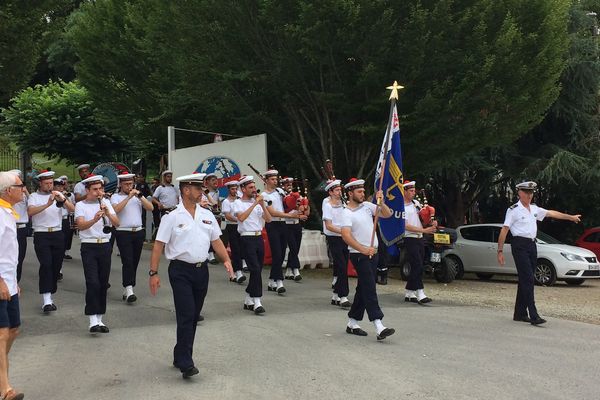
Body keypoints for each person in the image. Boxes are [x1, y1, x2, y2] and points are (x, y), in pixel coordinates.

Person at [149, 173, 233, 379]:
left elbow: (216, 241)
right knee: (186, 314)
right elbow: (159, 244)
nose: (201, 192)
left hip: (201, 270)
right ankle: (186, 362)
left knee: (193, 315)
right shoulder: (172, 217)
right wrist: (154, 272)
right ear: (186, 190)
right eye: (198, 188)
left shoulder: (207, 215)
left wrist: (226, 260)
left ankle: (180, 354)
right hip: (180, 271)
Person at [497, 181, 581, 325]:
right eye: (526, 192)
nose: (529, 195)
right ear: (519, 193)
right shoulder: (514, 210)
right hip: (519, 245)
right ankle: (534, 315)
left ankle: (520, 313)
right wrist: (500, 251)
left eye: (531, 193)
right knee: (529, 278)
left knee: (525, 279)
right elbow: (504, 230)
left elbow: (551, 213)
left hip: (531, 245)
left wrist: (570, 217)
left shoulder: (534, 209)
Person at [340, 178, 395, 340]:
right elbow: (345, 236)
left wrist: (381, 202)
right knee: (370, 287)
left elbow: (387, 214)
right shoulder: (346, 213)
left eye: (363, 191)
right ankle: (378, 324)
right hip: (359, 255)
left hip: (373, 253)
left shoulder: (367, 207)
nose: (363, 193)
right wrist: (363, 249)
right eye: (359, 191)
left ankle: (352, 322)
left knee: (363, 288)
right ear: (350, 194)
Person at [75, 175, 120, 333]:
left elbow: (117, 223)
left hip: (105, 246)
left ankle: (100, 319)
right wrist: (94, 220)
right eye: (95, 189)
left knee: (102, 282)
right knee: (92, 282)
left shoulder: (106, 203)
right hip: (89, 246)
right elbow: (80, 225)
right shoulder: (80, 205)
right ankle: (92, 320)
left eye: (100, 189)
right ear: (87, 190)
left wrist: (107, 213)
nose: (98, 192)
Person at [28, 170, 74, 313]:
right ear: (40, 183)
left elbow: (73, 210)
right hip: (41, 234)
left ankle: (50, 291)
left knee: (56, 266)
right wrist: (48, 204)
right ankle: (46, 299)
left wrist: (63, 199)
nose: (49, 186)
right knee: (46, 265)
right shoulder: (33, 197)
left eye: (51, 183)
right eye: (46, 183)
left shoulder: (59, 195)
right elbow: (30, 212)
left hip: (58, 234)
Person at [0, 171, 25, 400]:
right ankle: (5, 389)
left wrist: (13, 281)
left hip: (9, 282)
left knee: (14, 329)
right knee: (2, 332)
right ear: (9, 191)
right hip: (0, 283)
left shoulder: (8, 212)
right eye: (20, 185)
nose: (23, 189)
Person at [111, 173, 154, 303]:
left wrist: (139, 196)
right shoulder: (115, 197)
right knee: (128, 260)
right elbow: (115, 210)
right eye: (126, 184)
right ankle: (129, 288)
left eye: (131, 184)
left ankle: (128, 287)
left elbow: (150, 208)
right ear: (121, 185)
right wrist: (128, 198)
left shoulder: (138, 197)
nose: (129, 186)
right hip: (123, 232)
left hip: (138, 231)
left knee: (134, 261)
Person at [262, 170, 307, 294]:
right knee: (277, 253)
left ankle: (272, 280)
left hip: (283, 224)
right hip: (273, 224)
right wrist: (290, 216)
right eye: (272, 179)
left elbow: (287, 205)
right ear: (266, 180)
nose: (275, 181)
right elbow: (272, 212)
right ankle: (279, 281)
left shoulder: (280, 192)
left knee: (281, 254)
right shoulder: (264, 195)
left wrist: (299, 205)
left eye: (276, 179)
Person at [233, 176, 272, 314]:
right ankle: (257, 301)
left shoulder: (257, 204)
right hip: (246, 238)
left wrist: (262, 205)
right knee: (254, 269)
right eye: (250, 187)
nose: (254, 190)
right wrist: (255, 204)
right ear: (243, 189)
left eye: (254, 187)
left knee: (258, 270)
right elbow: (241, 218)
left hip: (258, 238)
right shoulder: (237, 203)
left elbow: (268, 219)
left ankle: (249, 297)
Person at [402, 180, 436, 304]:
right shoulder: (401, 207)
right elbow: (405, 226)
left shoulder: (416, 203)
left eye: (414, 190)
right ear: (404, 191)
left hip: (420, 237)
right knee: (417, 264)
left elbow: (423, 218)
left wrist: (431, 221)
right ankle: (420, 292)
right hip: (409, 237)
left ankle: (409, 292)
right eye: (410, 191)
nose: (413, 193)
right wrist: (424, 229)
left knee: (419, 264)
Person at [322, 179, 351, 308]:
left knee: (343, 266)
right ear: (330, 192)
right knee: (341, 265)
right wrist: (343, 230)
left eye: (340, 189)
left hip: (345, 238)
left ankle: (336, 295)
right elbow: (329, 226)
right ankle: (343, 296)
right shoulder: (327, 205)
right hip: (334, 238)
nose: (340, 192)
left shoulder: (344, 203)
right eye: (337, 190)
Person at [282, 177, 309, 282]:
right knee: (293, 247)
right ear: (283, 185)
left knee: (296, 248)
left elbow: (306, 212)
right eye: (286, 184)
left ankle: (289, 270)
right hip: (286, 224)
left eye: (290, 184)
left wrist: (306, 206)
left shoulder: (298, 196)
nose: (289, 186)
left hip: (296, 225)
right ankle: (296, 270)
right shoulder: (282, 197)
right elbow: (285, 210)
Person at [221, 180, 245, 283]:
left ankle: (239, 269)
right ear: (229, 190)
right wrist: (239, 219)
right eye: (232, 189)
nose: (235, 191)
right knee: (235, 250)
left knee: (242, 248)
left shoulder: (240, 200)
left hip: (241, 227)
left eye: (236, 189)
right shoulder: (226, 201)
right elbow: (228, 216)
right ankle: (238, 272)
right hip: (232, 227)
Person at [8, 170, 28, 283]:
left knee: (19, 257)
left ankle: (16, 282)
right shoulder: (6, 194)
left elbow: (33, 205)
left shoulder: (24, 195)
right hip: (10, 227)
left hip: (21, 228)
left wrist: (26, 192)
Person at [204, 173, 221, 264]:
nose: (215, 181)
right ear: (207, 182)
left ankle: (212, 253)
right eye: (212, 180)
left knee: (214, 234)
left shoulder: (217, 192)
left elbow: (217, 203)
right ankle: (209, 254)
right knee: (207, 234)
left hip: (214, 215)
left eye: (216, 179)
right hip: (206, 215)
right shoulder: (204, 192)